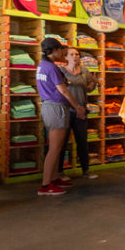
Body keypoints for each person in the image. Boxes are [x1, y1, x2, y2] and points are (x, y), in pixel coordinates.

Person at [37, 38, 86, 196]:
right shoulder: (52, 68)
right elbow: (63, 90)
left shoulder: (42, 65)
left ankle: (55, 177)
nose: (63, 53)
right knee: (55, 148)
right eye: (61, 50)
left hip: (48, 106)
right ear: (55, 50)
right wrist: (77, 107)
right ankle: (45, 185)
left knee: (56, 147)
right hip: (56, 107)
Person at [59, 47, 99, 180]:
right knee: (62, 142)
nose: (75, 56)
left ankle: (86, 170)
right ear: (65, 57)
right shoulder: (61, 71)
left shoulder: (84, 71)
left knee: (82, 141)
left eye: (77, 54)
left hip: (81, 111)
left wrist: (94, 84)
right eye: (71, 54)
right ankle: (59, 172)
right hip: (66, 111)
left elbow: (89, 87)